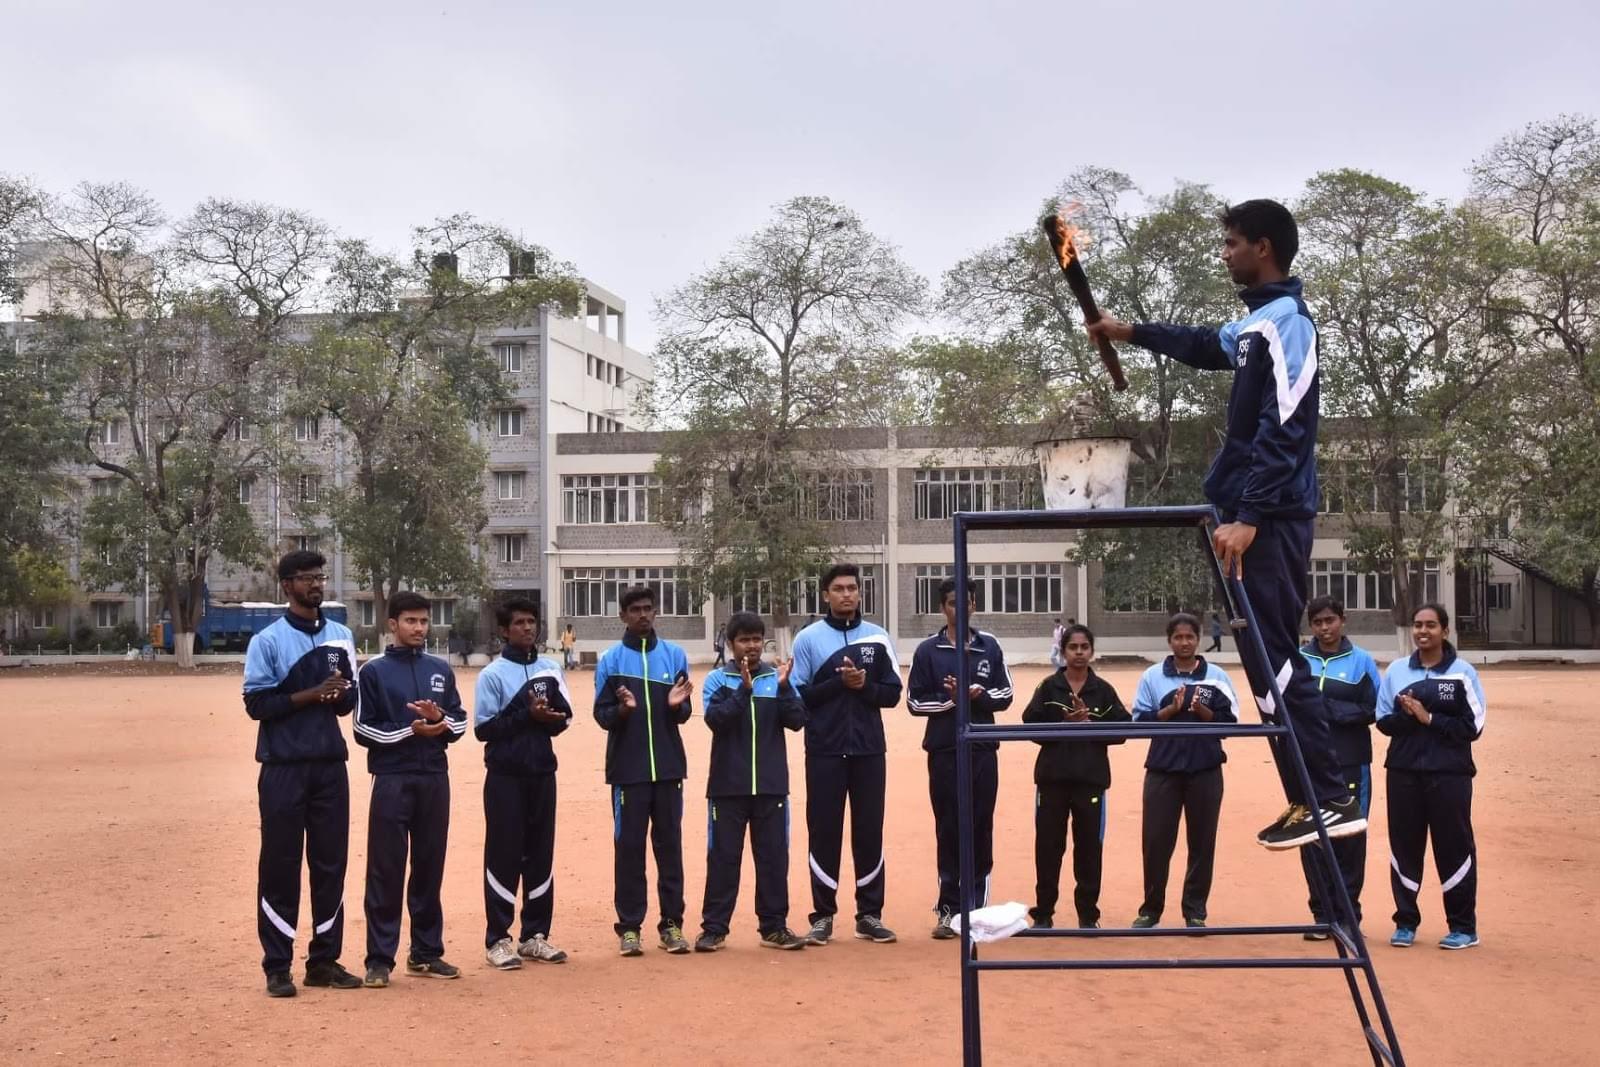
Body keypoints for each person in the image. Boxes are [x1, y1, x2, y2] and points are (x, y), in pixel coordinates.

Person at [1089, 199, 1365, 851]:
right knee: (1263, 662)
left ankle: (1328, 793)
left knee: (1277, 658)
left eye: (1232, 243)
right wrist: (1128, 331)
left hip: (1267, 516)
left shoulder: (1290, 322)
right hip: (1247, 512)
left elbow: (1288, 423)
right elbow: (1199, 344)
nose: (1224, 253)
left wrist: (1250, 515)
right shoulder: (1256, 324)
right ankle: (1309, 793)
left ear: (1263, 248)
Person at [242, 550, 362, 998]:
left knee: (330, 864)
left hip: (330, 765)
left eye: (320, 576)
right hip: (283, 768)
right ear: (287, 585)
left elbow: (348, 703)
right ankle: (277, 966)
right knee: (280, 865)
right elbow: (257, 704)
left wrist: (339, 695)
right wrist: (311, 694)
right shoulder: (267, 641)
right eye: (307, 578)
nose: (316, 584)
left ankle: (324, 961)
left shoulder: (341, 635)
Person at [352, 591, 468, 987]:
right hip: (391, 780)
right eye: (411, 622)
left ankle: (425, 952)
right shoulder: (373, 673)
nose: (419, 629)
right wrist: (409, 731)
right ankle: (379, 959)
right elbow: (362, 729)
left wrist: (441, 721)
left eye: (423, 622)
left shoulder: (440, 669)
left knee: (429, 866)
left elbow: (459, 722)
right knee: (386, 869)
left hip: (435, 778)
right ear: (392, 625)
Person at [791, 563, 903, 946]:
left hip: (870, 750)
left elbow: (891, 694)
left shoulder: (878, 638)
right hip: (824, 749)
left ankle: (869, 914)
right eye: (838, 588)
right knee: (824, 831)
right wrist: (839, 683)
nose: (846, 594)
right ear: (825, 594)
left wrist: (864, 685)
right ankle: (822, 916)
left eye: (852, 588)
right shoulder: (808, 639)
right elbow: (798, 696)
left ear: (860, 593)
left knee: (869, 830)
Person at [694, 611, 808, 952]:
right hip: (727, 787)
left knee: (774, 859)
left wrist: (786, 689)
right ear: (731, 645)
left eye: (757, 639)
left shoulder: (778, 678)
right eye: (744, 640)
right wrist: (743, 692)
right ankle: (714, 928)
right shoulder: (717, 680)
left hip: (771, 787)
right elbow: (717, 722)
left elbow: (797, 721)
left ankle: (774, 927)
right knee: (723, 859)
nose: (752, 646)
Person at [908, 577, 1014, 939]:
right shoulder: (927, 651)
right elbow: (914, 702)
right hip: (944, 750)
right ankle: (949, 910)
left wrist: (978, 695)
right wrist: (953, 701)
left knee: (980, 825)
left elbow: (1005, 694)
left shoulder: (989, 646)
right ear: (944, 608)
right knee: (949, 827)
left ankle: (977, 911)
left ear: (974, 605)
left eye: (966, 602)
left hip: (982, 749)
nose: (960, 609)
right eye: (953, 603)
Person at [1376, 603, 1486, 951]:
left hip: (1449, 775)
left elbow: (1474, 727)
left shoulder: (1463, 673)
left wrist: (1428, 718)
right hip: (1403, 772)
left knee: (1454, 847)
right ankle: (1405, 923)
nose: (1423, 631)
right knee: (1404, 846)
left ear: (1445, 631)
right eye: (1418, 625)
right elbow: (1382, 720)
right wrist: (1410, 716)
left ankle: (1463, 927)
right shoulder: (1396, 671)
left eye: (1431, 625)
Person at [594, 585, 695, 956]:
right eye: (635, 609)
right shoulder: (611, 661)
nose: (642, 615)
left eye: (648, 609)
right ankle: (630, 927)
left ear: (656, 613)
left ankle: (672, 925)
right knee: (629, 850)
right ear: (623, 615)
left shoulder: (674, 655)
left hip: (668, 770)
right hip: (627, 772)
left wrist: (674, 706)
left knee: (670, 849)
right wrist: (623, 710)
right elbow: (602, 717)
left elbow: (684, 714)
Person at [474, 597, 573, 970]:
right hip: (505, 777)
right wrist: (525, 714)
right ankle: (498, 938)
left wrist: (548, 718)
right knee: (503, 854)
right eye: (519, 623)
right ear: (504, 629)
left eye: (532, 622)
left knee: (540, 854)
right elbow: (485, 729)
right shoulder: (493, 675)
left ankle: (535, 936)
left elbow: (562, 721)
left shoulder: (550, 668)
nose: (527, 628)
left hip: (542, 774)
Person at [1130, 613, 1240, 929]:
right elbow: (1138, 723)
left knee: (1202, 842)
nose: (1184, 642)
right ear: (1169, 641)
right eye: (1178, 637)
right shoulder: (1153, 676)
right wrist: (1170, 711)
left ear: (1199, 637)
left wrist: (1203, 712)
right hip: (1162, 770)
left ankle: (1195, 911)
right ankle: (1150, 909)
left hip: (1205, 770)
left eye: (1190, 636)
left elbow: (1230, 724)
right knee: (1155, 842)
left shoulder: (1217, 676)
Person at [1023, 623, 1130, 930]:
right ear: (1063, 651)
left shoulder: (1104, 690)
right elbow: (1029, 724)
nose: (1079, 653)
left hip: (1091, 781)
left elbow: (1124, 729)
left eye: (1084, 648)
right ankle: (1043, 913)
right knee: (1048, 847)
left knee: (1089, 849)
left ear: (1092, 652)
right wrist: (1062, 724)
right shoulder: (1048, 687)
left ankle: (1088, 914)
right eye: (1073, 647)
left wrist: (1090, 726)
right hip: (1052, 781)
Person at [1298, 597, 1381, 939]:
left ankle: (1348, 916)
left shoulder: (1361, 662)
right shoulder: (1299, 660)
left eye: (1330, 620)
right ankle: (1322, 914)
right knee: (1312, 836)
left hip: (1350, 762)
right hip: (1306, 763)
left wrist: (1330, 709)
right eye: (1317, 622)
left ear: (1342, 621)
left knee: (1349, 836)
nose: (1324, 627)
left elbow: (1374, 709)